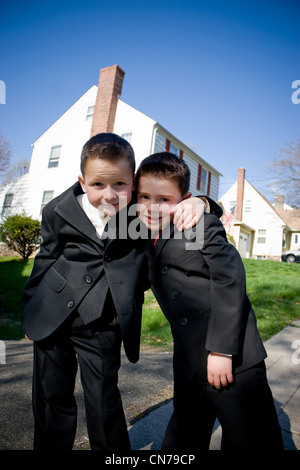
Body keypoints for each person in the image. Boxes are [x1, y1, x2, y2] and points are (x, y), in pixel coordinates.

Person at [21, 133, 206, 451]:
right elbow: (45, 259)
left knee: (104, 401)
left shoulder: (143, 208)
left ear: (133, 182)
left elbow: (177, 199)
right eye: (97, 185)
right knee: (52, 398)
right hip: (52, 316)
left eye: (120, 185)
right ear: (82, 181)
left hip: (104, 320)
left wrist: (199, 202)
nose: (109, 195)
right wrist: (30, 312)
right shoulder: (58, 209)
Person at [136, 152, 284, 451]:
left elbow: (229, 278)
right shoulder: (141, 231)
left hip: (232, 356)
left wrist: (221, 350)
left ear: (184, 199)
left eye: (164, 199)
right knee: (184, 432)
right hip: (189, 358)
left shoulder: (197, 225)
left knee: (249, 436)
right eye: (144, 196)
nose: (152, 206)